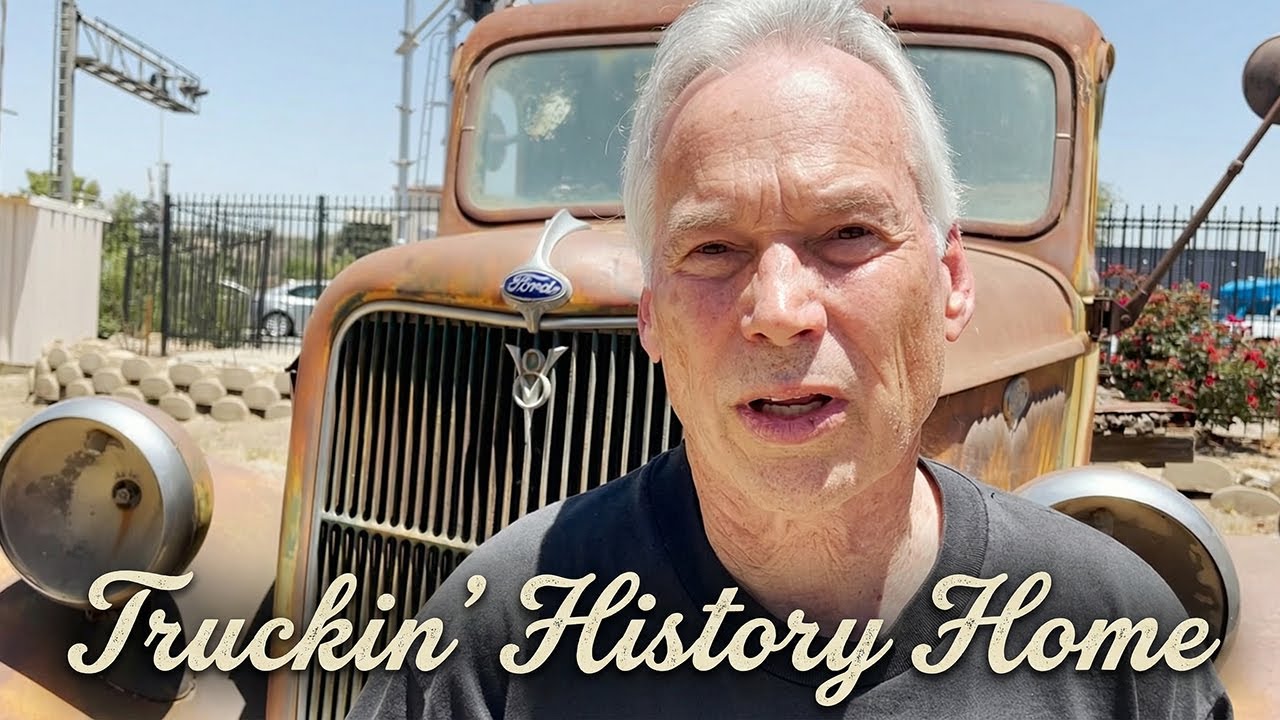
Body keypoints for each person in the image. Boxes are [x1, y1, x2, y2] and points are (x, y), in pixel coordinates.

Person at [347, 0, 1233, 717]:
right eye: (711, 248)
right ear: (651, 315)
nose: (776, 311)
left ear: (950, 280)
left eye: (848, 233)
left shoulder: (1117, 638)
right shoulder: (489, 641)